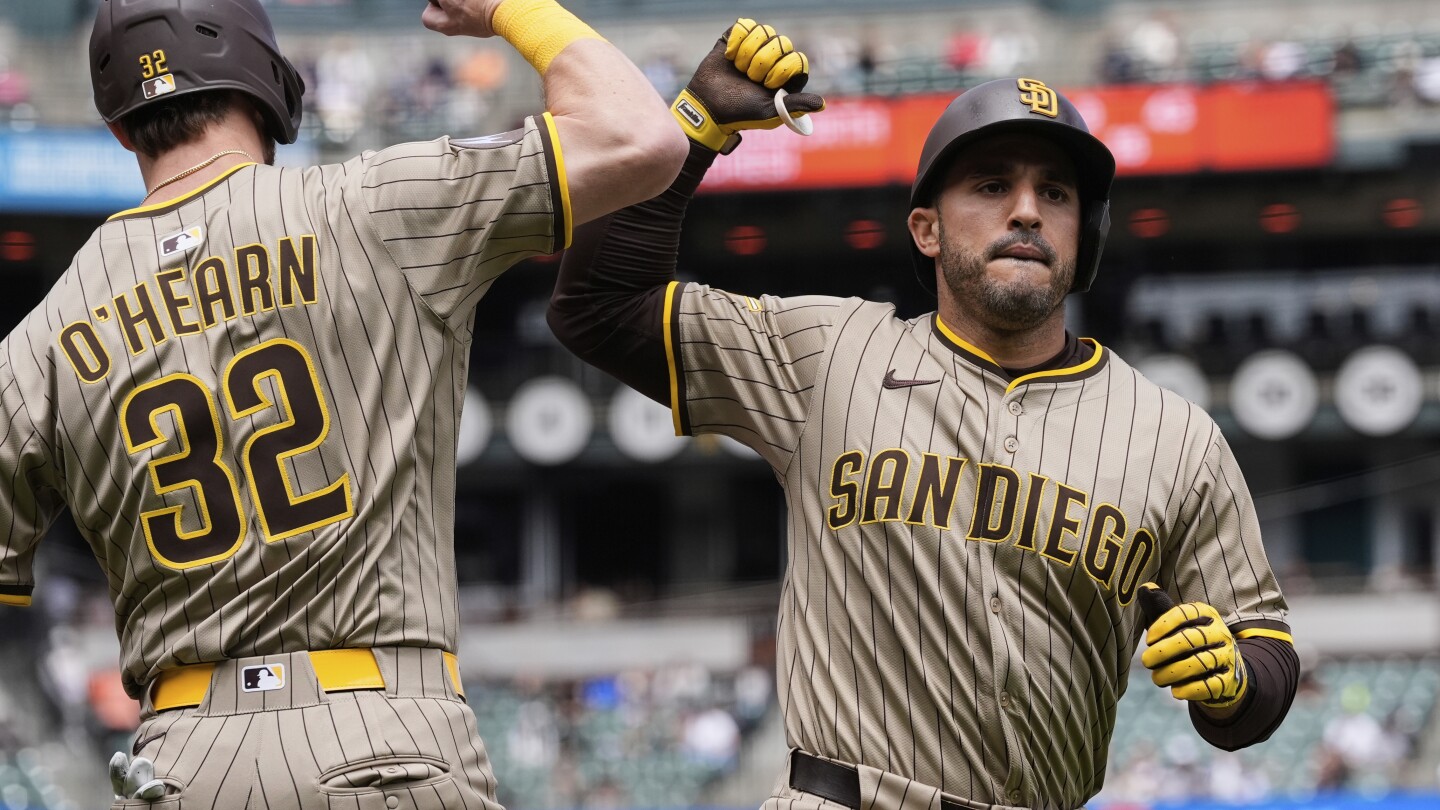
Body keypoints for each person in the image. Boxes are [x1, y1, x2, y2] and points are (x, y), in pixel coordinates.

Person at [548, 27, 1300, 810]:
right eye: (988, 185)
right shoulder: (826, 354)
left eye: (1056, 193)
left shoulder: (1175, 436)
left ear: (1087, 237)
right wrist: (692, 127)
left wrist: (1235, 684)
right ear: (926, 230)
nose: (1027, 212)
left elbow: (1266, 652)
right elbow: (600, 308)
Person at [0, 0, 685, 805]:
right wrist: (511, 9)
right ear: (270, 89)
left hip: (179, 765)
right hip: (378, 737)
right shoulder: (371, 207)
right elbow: (642, 137)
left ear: (120, 129)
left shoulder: (37, 343)